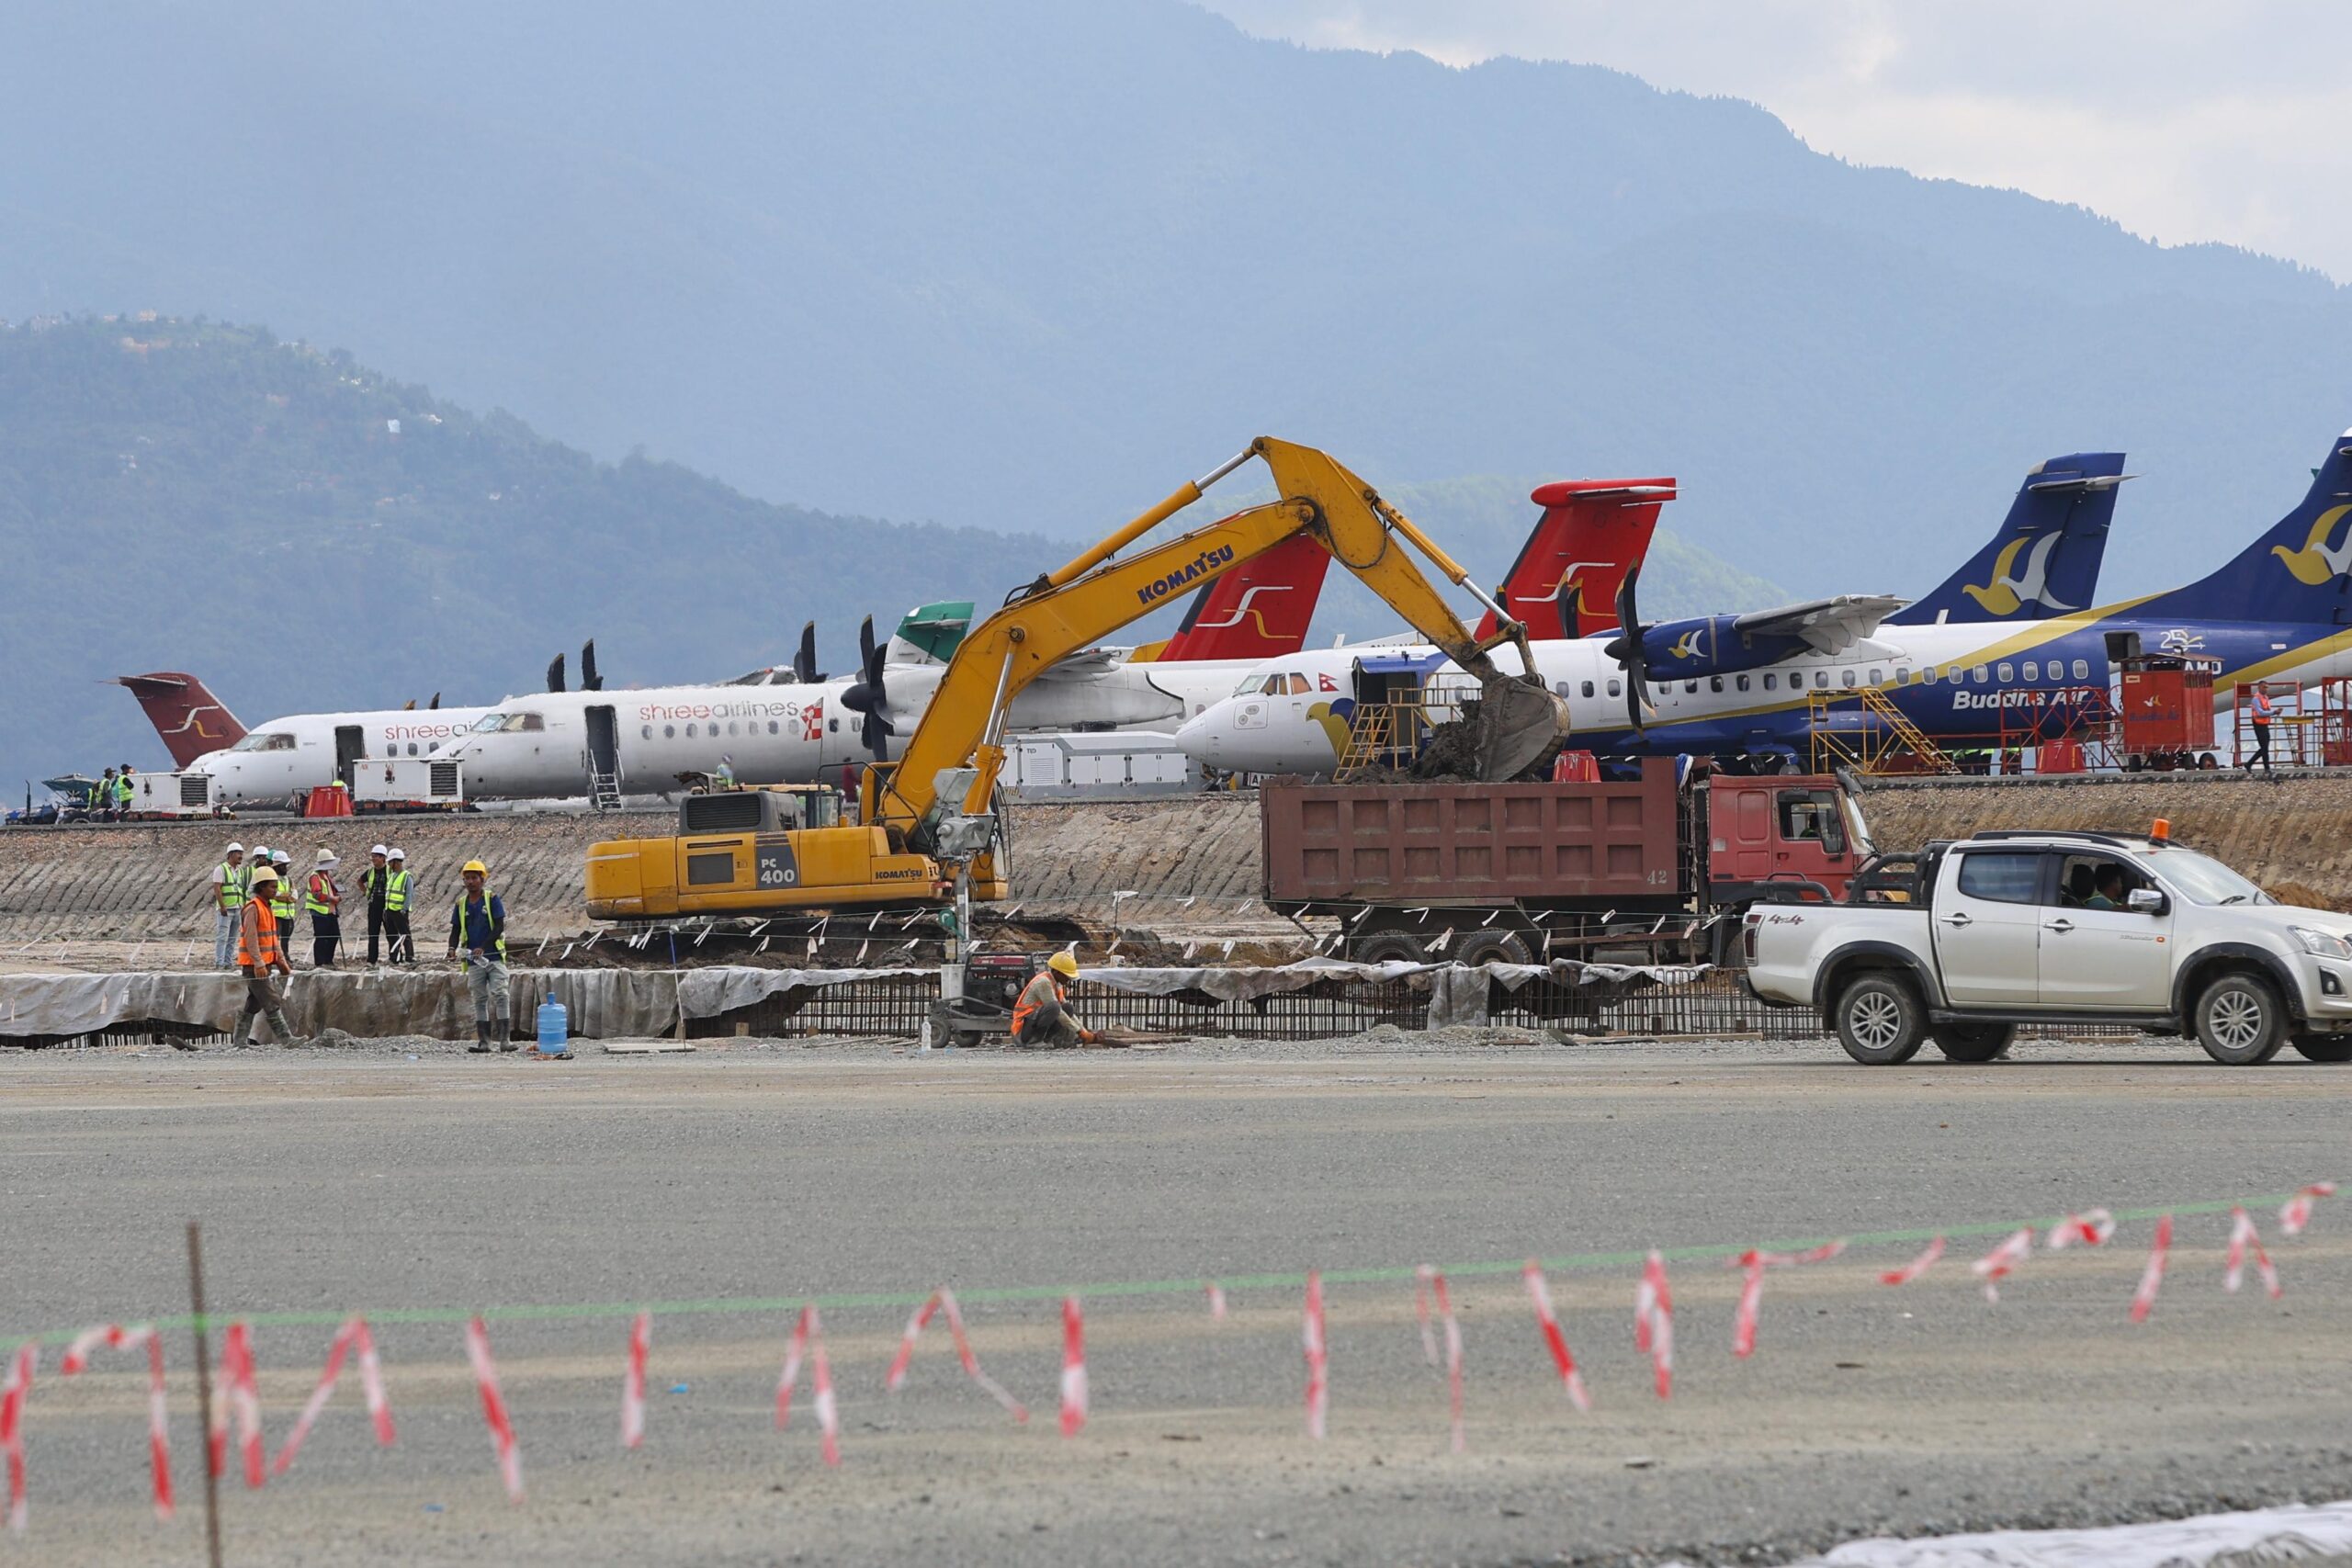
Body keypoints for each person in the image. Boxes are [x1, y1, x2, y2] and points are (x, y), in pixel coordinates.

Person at [447, 859, 513, 1052]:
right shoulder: (461, 904)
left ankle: (505, 1041)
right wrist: (451, 948)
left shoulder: (492, 899)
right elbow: (456, 930)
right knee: (479, 999)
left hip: (494, 957)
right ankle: (484, 1042)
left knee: (501, 994)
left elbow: (499, 926)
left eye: (474, 878)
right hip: (474, 961)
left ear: (482, 879)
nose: (470, 881)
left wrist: (483, 947)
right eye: (467, 878)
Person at [233, 865, 297, 1047]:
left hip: (264, 964)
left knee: (254, 1003)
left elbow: (273, 939)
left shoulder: (266, 907)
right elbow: (251, 938)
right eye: (272, 887)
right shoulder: (253, 908)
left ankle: (239, 1041)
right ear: (261, 887)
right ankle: (287, 1039)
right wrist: (258, 963)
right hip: (254, 966)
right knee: (271, 999)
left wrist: (281, 962)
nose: (275, 890)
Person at [1012, 951, 1098, 1047]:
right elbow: (1059, 1012)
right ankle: (1033, 1042)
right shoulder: (1043, 982)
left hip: (1030, 1026)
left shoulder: (1056, 985)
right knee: (1054, 1007)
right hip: (1022, 1032)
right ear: (1057, 972)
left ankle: (1054, 1041)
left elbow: (1068, 1014)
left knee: (1068, 1008)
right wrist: (1079, 1031)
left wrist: (1084, 1031)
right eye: (1067, 976)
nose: (1068, 980)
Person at [209, 841, 249, 968]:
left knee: (232, 938)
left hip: (237, 908)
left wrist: (243, 907)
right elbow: (217, 888)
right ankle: (219, 963)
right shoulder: (221, 869)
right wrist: (222, 906)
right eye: (238, 853)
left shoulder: (240, 871)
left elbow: (242, 890)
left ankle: (228, 962)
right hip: (226, 909)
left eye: (241, 853)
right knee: (222, 937)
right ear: (231, 854)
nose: (241, 856)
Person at [306, 850, 344, 967]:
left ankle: (328, 960)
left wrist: (336, 896)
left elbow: (329, 890)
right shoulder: (315, 876)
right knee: (321, 938)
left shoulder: (326, 875)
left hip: (330, 911)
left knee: (334, 936)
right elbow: (317, 894)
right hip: (320, 912)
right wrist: (332, 898)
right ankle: (320, 963)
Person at [360, 844, 391, 964]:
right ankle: (372, 959)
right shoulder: (370, 872)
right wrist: (366, 893)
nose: (373, 859)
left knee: (391, 932)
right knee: (373, 934)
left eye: (375, 856)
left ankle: (394, 957)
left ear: (383, 858)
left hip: (387, 905)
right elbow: (360, 881)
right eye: (372, 856)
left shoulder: (390, 870)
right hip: (374, 905)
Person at [382, 848, 413, 964]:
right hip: (389, 910)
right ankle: (394, 957)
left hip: (400, 911)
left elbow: (409, 894)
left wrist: (404, 909)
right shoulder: (391, 876)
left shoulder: (407, 876)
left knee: (405, 935)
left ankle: (409, 957)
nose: (389, 864)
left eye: (390, 862)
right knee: (391, 936)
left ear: (396, 862)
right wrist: (385, 909)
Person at [269, 850, 299, 960]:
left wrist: (284, 896)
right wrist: (287, 896)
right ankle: (274, 958)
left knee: (286, 940)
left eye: (285, 865)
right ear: (277, 866)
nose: (285, 868)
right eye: (283, 865)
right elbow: (274, 894)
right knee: (275, 939)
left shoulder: (289, 880)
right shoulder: (272, 879)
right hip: (277, 915)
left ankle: (285, 957)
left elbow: (294, 897)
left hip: (288, 914)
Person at [2249, 685, 2276, 773]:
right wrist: (2273, 712)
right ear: (2259, 688)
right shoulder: (2256, 699)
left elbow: (2266, 710)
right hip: (2258, 724)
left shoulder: (2265, 698)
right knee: (2264, 747)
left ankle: (2249, 764)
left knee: (2265, 747)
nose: (2266, 689)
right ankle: (2266, 768)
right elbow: (2260, 712)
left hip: (2264, 723)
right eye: (2264, 687)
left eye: (2267, 687)